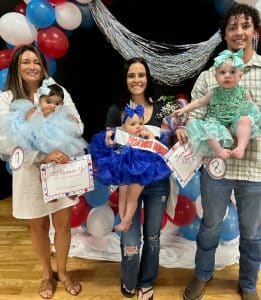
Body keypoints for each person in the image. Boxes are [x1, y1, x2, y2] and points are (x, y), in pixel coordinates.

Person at [177, 4, 261, 300]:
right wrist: (191, 126)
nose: (239, 32)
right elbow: (194, 116)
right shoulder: (210, 75)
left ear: (255, 32)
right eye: (233, 27)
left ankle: (249, 284)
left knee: (252, 233)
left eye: (245, 26)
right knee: (210, 225)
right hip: (217, 168)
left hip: (254, 168)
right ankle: (202, 274)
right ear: (224, 34)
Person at [0, 45, 82, 299]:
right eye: (25, 62)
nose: (32, 66)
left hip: (60, 168)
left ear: (43, 66)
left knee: (63, 223)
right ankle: (47, 274)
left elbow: (78, 126)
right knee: (38, 226)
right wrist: (40, 154)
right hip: (29, 171)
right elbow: (4, 139)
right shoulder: (6, 99)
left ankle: (63, 271)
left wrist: (59, 123)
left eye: (36, 61)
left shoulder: (57, 92)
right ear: (16, 67)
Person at [103, 57, 179, 300]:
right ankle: (129, 280)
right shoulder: (116, 110)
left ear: (148, 78)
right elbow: (108, 145)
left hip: (157, 183)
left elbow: (170, 144)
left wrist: (159, 135)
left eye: (141, 75)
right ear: (125, 80)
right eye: (131, 75)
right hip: (128, 183)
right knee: (131, 237)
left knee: (153, 237)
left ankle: (147, 281)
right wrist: (119, 138)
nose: (136, 80)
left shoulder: (162, 109)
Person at [90, 104, 171, 232]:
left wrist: (149, 136)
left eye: (140, 123)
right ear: (124, 127)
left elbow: (156, 145)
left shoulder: (145, 134)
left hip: (141, 168)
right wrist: (109, 142)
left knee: (132, 196)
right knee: (122, 194)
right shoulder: (121, 136)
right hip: (124, 167)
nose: (138, 126)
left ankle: (128, 219)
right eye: (132, 124)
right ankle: (123, 219)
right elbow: (112, 146)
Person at [173, 48, 261, 161]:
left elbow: (251, 108)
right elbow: (199, 102)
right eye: (222, 72)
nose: (227, 76)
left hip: (235, 121)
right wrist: (184, 109)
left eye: (232, 72)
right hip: (216, 120)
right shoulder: (213, 92)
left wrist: (248, 119)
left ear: (240, 75)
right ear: (216, 77)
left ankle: (240, 147)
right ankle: (219, 150)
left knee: (245, 120)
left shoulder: (244, 92)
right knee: (208, 129)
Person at [0, 78, 88, 161]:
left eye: (57, 103)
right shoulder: (35, 109)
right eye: (48, 102)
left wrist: (71, 119)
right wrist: (39, 114)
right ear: (40, 100)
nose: (52, 106)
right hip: (38, 138)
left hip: (57, 142)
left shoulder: (60, 114)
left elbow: (74, 124)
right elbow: (27, 121)